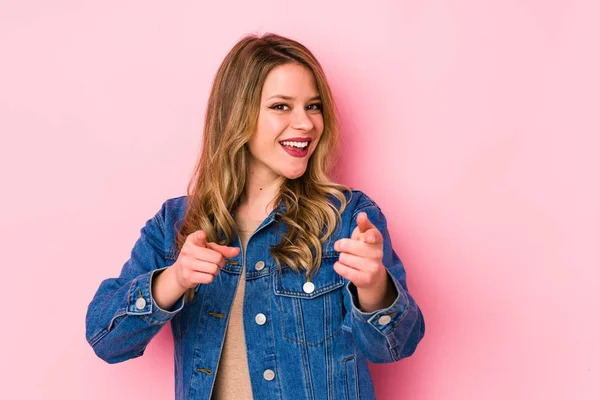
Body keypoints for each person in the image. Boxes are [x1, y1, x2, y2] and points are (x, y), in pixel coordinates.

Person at [85, 32, 425, 400]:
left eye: (313, 106)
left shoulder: (347, 218)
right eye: (281, 106)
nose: (307, 124)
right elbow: (105, 338)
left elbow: (393, 347)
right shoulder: (176, 223)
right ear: (237, 115)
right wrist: (176, 279)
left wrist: (374, 286)